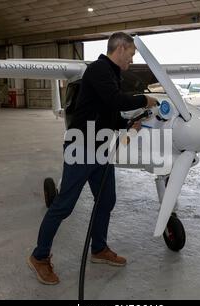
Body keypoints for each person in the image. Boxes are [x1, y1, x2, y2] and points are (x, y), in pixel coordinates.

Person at [28, 32, 158, 285]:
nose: (131, 61)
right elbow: (115, 100)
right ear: (120, 48)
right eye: (131, 55)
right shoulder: (99, 69)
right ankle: (39, 257)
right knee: (64, 206)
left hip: (99, 149)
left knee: (106, 200)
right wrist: (145, 99)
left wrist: (129, 122)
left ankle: (98, 249)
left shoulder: (112, 74)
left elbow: (108, 112)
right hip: (80, 146)